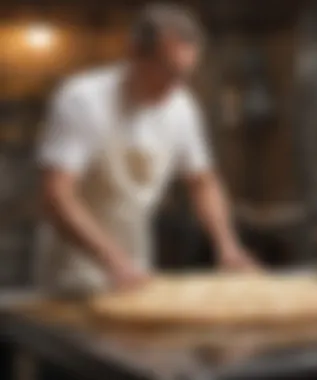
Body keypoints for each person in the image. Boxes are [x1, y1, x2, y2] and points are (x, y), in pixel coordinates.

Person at [37, 3, 259, 293]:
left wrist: (227, 246)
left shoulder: (182, 107)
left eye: (184, 74)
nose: (175, 85)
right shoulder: (83, 100)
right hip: (74, 272)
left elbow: (203, 182)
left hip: (134, 268)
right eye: (167, 71)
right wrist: (111, 259)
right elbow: (56, 195)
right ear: (134, 53)